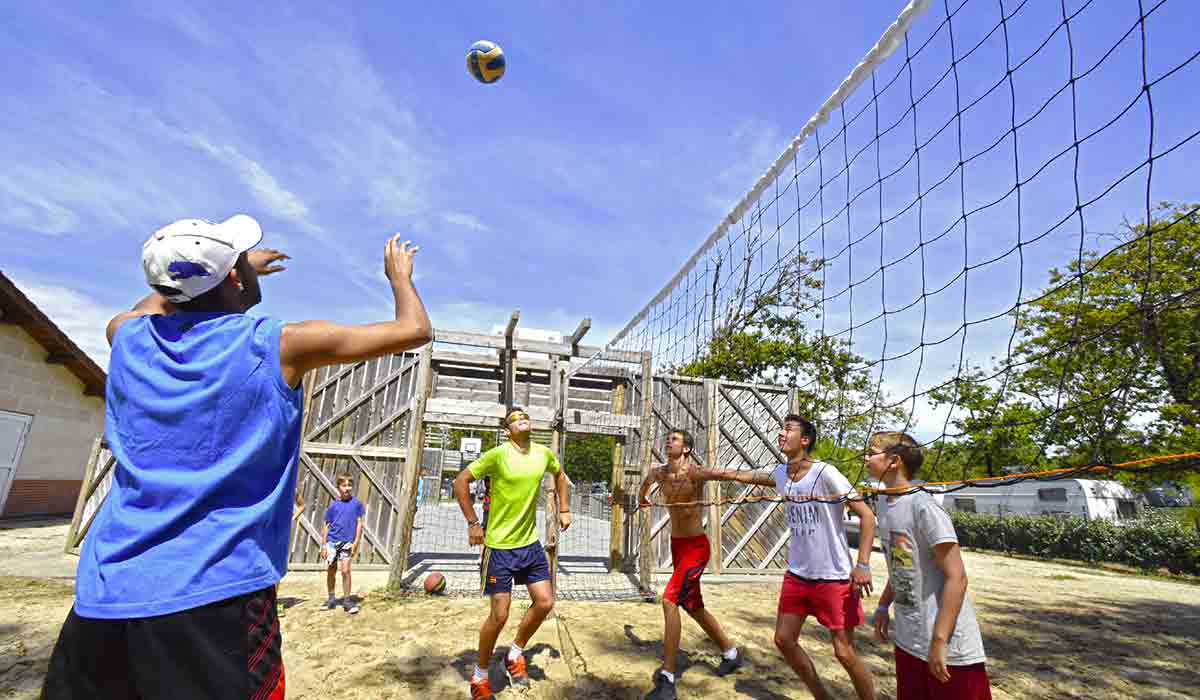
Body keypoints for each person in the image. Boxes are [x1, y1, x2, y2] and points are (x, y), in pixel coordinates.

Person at [42, 216, 431, 700]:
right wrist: (400, 278)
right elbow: (414, 330)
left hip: (106, 594)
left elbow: (157, 300)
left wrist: (216, 272)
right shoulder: (275, 346)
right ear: (231, 276)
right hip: (217, 593)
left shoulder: (127, 338)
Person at [708, 414, 877, 700]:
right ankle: (822, 696)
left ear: (806, 440)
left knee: (844, 652)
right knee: (784, 640)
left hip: (834, 578)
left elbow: (868, 517)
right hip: (798, 575)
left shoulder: (826, 473)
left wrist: (862, 564)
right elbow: (743, 475)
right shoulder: (781, 473)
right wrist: (708, 472)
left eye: (788, 429)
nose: (781, 434)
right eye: (782, 429)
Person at [453, 407, 572, 700]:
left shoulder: (543, 453)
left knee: (545, 603)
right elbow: (460, 482)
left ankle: (515, 653)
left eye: (524, 416)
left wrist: (564, 508)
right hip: (500, 547)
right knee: (500, 615)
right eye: (515, 418)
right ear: (507, 431)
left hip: (529, 544)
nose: (522, 418)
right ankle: (479, 677)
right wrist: (473, 524)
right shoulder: (497, 455)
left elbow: (560, 475)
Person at [866, 432, 992, 700]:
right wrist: (882, 605)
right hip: (909, 639)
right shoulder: (884, 502)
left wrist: (940, 641)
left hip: (949, 648)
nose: (865, 457)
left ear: (894, 461)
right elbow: (901, 564)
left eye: (871, 452)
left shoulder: (924, 506)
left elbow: (957, 577)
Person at [637, 429, 742, 700]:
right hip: (678, 546)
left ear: (686, 449)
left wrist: (771, 479)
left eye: (674, 439)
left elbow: (727, 474)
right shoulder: (660, 472)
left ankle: (668, 679)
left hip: (696, 547)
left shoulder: (695, 473)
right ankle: (731, 653)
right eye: (668, 438)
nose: (667, 441)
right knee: (693, 606)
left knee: (670, 600)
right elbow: (646, 482)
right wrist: (641, 498)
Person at [322, 474, 365, 614]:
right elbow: (327, 526)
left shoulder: (357, 504)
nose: (347, 488)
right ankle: (331, 599)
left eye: (349, 485)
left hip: (347, 543)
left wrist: (356, 542)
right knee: (331, 569)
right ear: (338, 487)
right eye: (344, 485)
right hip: (332, 542)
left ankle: (347, 600)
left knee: (345, 570)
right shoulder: (333, 506)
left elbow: (359, 523)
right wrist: (323, 545)